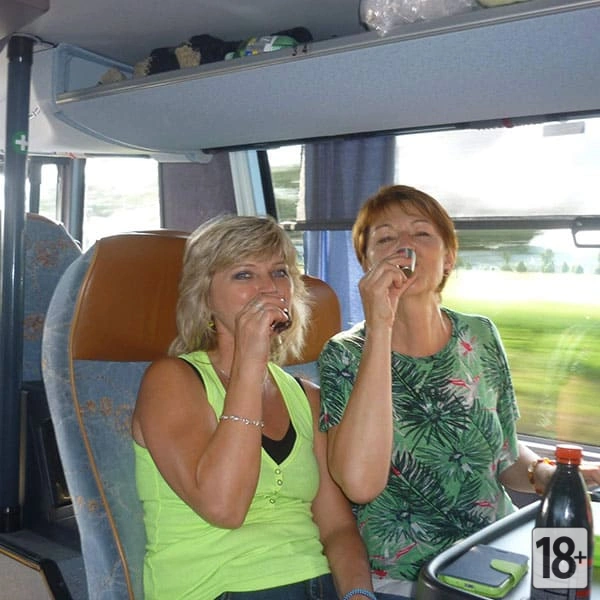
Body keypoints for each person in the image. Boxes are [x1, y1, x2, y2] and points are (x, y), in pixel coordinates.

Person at [317, 185, 600, 599]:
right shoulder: (343, 354)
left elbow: (503, 452)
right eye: (385, 238)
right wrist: (380, 326)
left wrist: (545, 474)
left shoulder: (479, 334)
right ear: (366, 263)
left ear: (448, 257)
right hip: (411, 576)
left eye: (421, 234)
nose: (404, 248)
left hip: (499, 551)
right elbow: (360, 485)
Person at [131, 214, 377, 600]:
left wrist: (359, 595)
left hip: (318, 586)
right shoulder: (171, 381)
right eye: (244, 274)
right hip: (220, 588)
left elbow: (337, 529)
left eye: (279, 273)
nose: (269, 288)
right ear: (205, 296)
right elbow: (224, 508)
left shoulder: (306, 397)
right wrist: (250, 360)